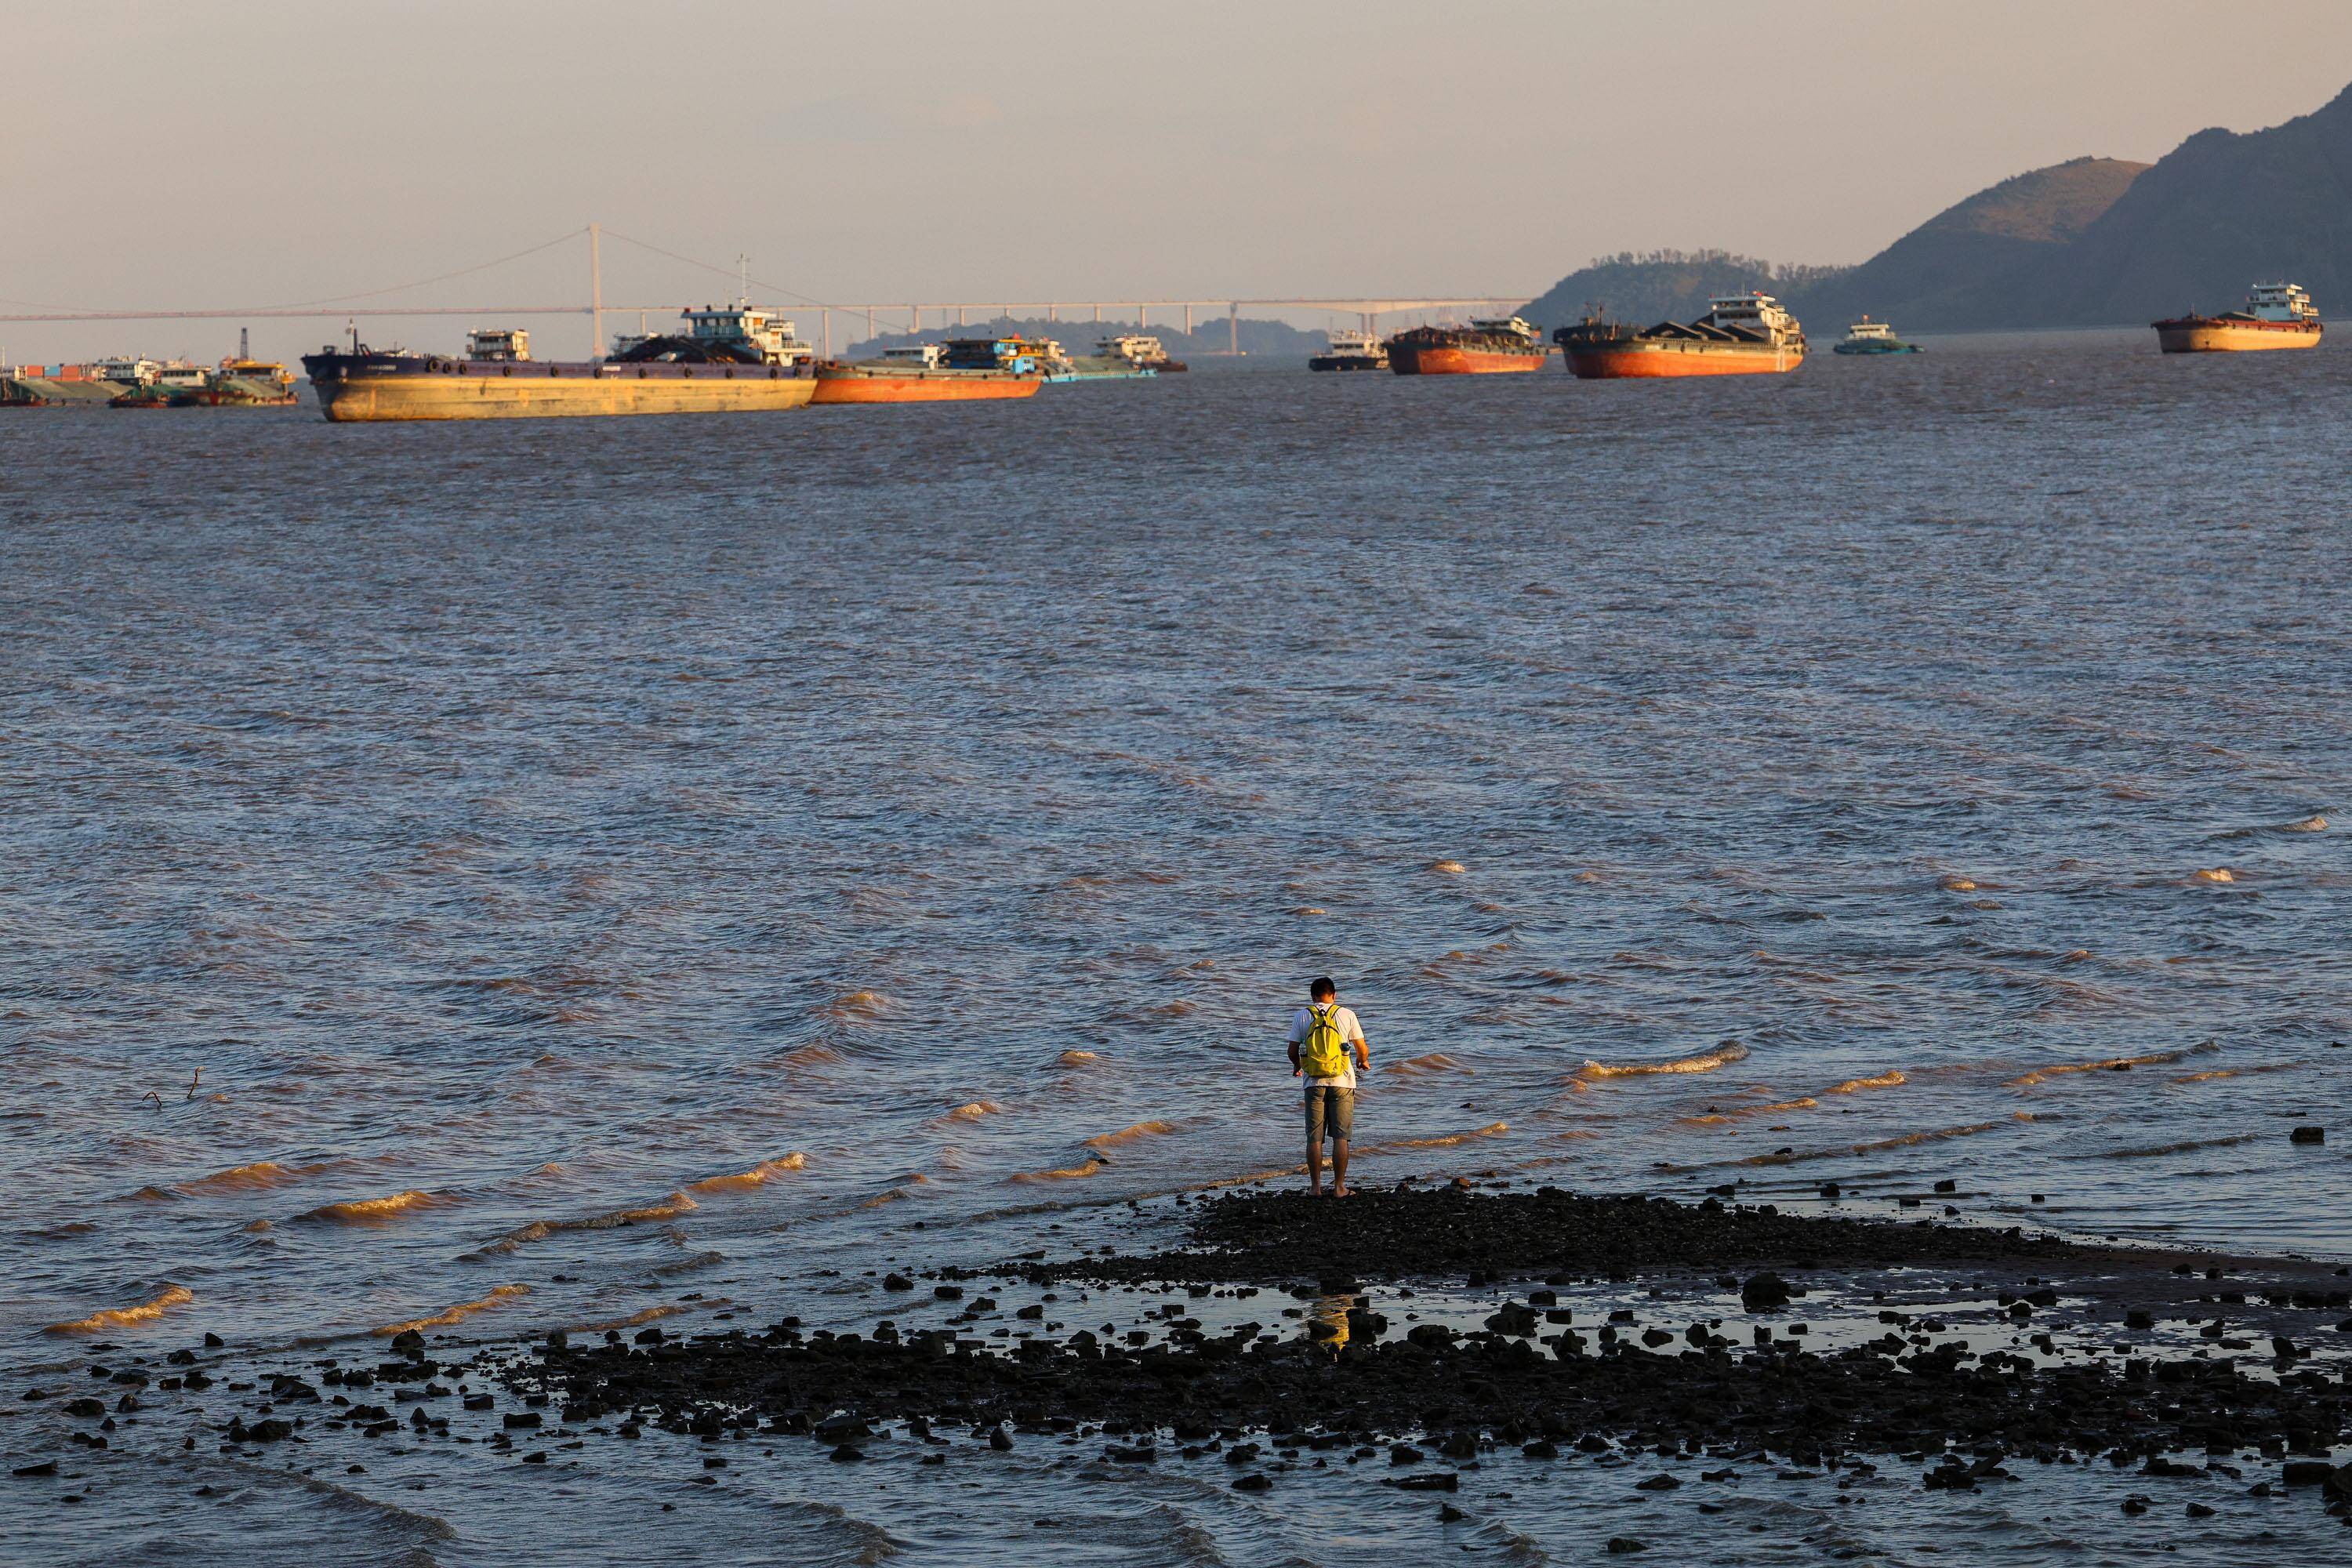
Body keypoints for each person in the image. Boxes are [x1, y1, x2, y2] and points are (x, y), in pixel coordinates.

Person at [1287, 976, 1370, 1197]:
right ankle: (1340, 1188)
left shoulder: (1302, 1015)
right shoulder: (1346, 1014)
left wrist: (1298, 1066)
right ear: (1334, 995)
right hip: (1342, 1082)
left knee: (1314, 1137)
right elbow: (1362, 1048)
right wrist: (1362, 1062)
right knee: (1341, 1137)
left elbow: (1292, 1051)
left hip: (1313, 1082)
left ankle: (1315, 1188)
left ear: (1312, 996)